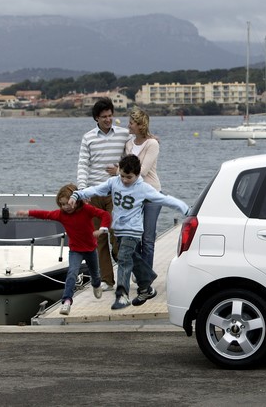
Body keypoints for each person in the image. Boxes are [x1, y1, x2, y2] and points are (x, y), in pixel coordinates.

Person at [68, 154, 190, 310]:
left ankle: (122, 295)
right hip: (118, 230)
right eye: (123, 175)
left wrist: (185, 209)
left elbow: (164, 199)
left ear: (137, 174)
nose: (125, 180)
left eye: (129, 177)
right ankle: (147, 287)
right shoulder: (114, 182)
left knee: (124, 259)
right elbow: (95, 190)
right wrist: (77, 194)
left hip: (133, 231)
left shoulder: (143, 188)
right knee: (131, 258)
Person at [15, 184, 112, 316]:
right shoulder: (61, 214)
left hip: (90, 249)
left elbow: (105, 215)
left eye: (67, 204)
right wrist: (28, 213)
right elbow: (45, 214)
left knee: (95, 275)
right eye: (62, 204)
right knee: (72, 273)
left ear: (76, 201)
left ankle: (96, 284)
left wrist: (102, 229)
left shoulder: (87, 210)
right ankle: (66, 301)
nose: (65, 207)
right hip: (75, 250)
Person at [76, 97, 130, 292]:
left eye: (110, 115)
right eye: (104, 117)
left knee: (117, 234)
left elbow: (135, 154)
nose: (108, 119)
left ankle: (124, 268)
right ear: (96, 118)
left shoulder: (124, 134)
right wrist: (82, 191)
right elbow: (83, 165)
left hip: (115, 192)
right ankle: (108, 280)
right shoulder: (88, 138)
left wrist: (120, 169)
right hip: (94, 193)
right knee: (99, 239)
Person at [123, 107, 161, 269]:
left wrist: (119, 171)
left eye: (131, 123)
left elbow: (142, 171)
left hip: (151, 195)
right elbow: (128, 171)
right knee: (135, 238)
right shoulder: (129, 144)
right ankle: (138, 270)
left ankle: (146, 277)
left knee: (148, 239)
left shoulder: (152, 144)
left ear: (140, 125)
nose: (128, 126)